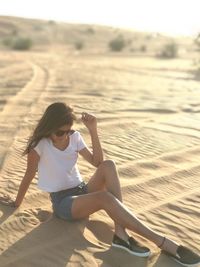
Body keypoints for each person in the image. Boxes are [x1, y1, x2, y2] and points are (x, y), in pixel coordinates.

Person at [1, 102, 200, 266]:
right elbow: (28, 175)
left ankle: (120, 234)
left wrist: (93, 130)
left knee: (108, 165)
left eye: (69, 131)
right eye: (61, 132)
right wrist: (17, 202)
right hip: (64, 204)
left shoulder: (75, 138)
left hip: (81, 191)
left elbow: (97, 162)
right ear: (50, 128)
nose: (66, 135)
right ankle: (163, 242)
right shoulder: (40, 146)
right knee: (105, 197)